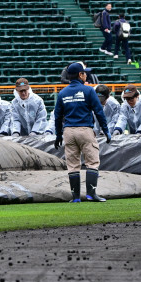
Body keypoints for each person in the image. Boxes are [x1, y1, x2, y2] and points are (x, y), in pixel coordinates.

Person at [53, 62, 111, 203]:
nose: (86, 75)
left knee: (73, 165)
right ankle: (91, 194)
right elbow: (99, 112)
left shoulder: (62, 93)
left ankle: (76, 197)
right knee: (92, 162)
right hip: (85, 130)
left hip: (68, 131)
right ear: (80, 75)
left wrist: (58, 135)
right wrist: (106, 130)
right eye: (85, 73)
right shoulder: (89, 90)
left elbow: (57, 116)